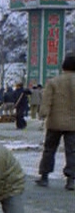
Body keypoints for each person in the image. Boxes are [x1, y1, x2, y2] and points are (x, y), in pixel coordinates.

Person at [36, 53, 75, 191]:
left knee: (49, 149)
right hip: (73, 124)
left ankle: (44, 176)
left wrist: (42, 115)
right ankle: (71, 179)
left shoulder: (54, 82)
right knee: (72, 151)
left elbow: (47, 102)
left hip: (55, 122)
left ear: (63, 66)